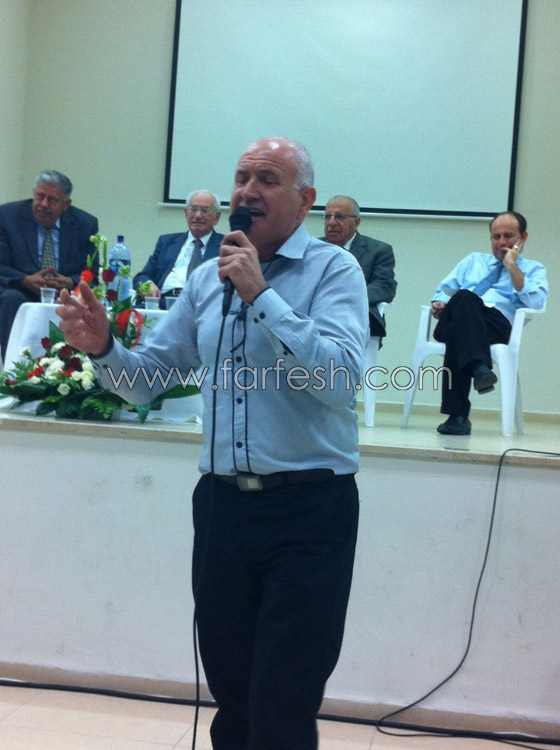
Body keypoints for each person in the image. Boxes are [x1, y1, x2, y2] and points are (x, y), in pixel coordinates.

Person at [57, 137, 369, 750]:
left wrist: (262, 296)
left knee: (283, 698)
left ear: (305, 199)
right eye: (242, 177)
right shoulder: (206, 279)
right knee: (231, 694)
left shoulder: (335, 270)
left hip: (309, 509)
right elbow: (146, 382)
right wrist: (103, 348)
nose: (249, 191)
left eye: (267, 179)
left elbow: (340, 381)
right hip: (224, 507)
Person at [431, 211, 548, 436]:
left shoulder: (534, 269)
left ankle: (458, 417)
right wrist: (439, 304)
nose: (502, 242)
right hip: (461, 317)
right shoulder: (473, 261)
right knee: (464, 298)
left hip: (497, 326)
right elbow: (443, 291)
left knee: (458, 327)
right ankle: (479, 368)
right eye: (496, 236)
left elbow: (535, 302)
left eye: (508, 236)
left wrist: (511, 265)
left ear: (523, 238)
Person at [0, 169, 98, 358]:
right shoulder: (7, 216)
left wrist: (70, 281)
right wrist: (26, 280)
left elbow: (92, 271)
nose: (44, 204)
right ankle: (14, 365)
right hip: (22, 291)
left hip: (66, 295)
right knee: (11, 298)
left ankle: (74, 367)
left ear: (66, 204)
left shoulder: (85, 224)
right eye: (40, 196)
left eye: (52, 200)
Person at [132, 190, 223, 308]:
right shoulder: (166, 242)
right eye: (193, 209)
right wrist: (148, 284)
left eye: (204, 210)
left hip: (201, 308)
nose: (197, 215)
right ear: (186, 214)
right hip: (163, 304)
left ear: (217, 217)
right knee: (123, 314)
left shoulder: (226, 246)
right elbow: (141, 277)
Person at [321, 195, 396, 337]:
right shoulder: (313, 249)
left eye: (339, 217)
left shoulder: (378, 250)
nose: (331, 222)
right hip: (316, 316)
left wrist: (343, 299)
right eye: (327, 216)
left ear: (356, 223)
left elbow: (384, 286)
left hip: (355, 319)